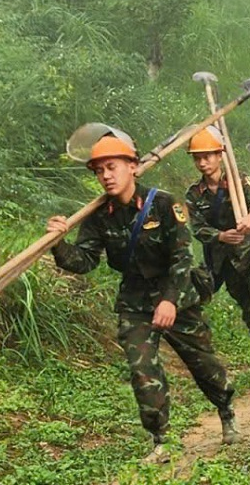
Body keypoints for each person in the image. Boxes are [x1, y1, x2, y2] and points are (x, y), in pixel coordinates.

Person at [51, 126, 237, 463]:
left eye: (113, 167)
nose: (106, 176)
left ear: (132, 167)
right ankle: (160, 439)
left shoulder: (165, 204)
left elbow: (183, 257)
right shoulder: (96, 217)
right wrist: (58, 244)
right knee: (142, 370)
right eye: (99, 170)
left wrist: (169, 300)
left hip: (177, 296)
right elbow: (85, 261)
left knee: (204, 364)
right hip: (135, 302)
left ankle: (225, 409)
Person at [184, 127, 250, 386]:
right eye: (197, 158)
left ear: (220, 155)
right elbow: (196, 227)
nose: (203, 162)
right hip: (226, 263)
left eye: (208, 156)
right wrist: (219, 236)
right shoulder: (194, 194)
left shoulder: (239, 180)